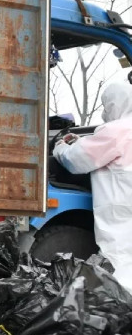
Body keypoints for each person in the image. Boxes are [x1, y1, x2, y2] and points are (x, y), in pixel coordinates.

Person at [53, 81, 132, 292]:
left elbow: (76, 160)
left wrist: (60, 147)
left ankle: (121, 304)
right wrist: (82, 140)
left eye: (106, 106)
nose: (105, 112)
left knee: (118, 260)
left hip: (119, 210)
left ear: (114, 104)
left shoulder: (116, 130)